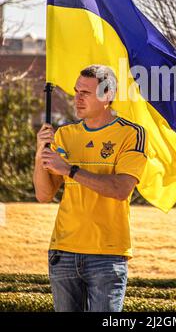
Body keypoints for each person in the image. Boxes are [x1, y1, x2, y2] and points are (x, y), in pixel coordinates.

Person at [33, 65, 147, 312]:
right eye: (76, 91)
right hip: (63, 252)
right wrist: (40, 151)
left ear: (107, 95)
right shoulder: (64, 135)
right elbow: (43, 195)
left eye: (85, 92)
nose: (77, 98)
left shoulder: (131, 134)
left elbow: (120, 189)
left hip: (107, 255)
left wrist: (70, 170)